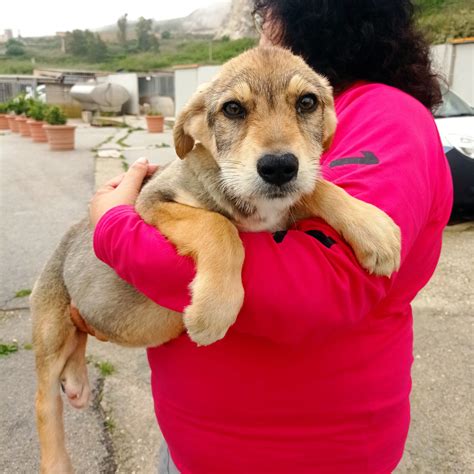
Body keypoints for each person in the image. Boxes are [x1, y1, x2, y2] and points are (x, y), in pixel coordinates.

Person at [88, 1, 453, 472]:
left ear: (306, 20)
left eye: (266, 20)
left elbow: (321, 285)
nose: (260, 38)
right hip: (198, 443)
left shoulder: (385, 115)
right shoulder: (327, 107)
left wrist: (113, 227)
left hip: (305, 453)